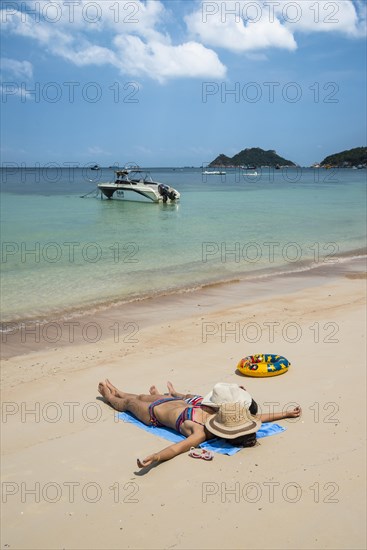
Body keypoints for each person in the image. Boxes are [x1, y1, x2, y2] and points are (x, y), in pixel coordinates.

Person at [98, 379, 301, 469]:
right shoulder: (226, 416)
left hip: (153, 414)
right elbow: (261, 418)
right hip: (171, 402)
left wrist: (157, 456)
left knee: (130, 403)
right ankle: (120, 390)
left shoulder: (202, 433)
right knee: (141, 395)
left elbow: (177, 448)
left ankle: (110, 397)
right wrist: (285, 412)